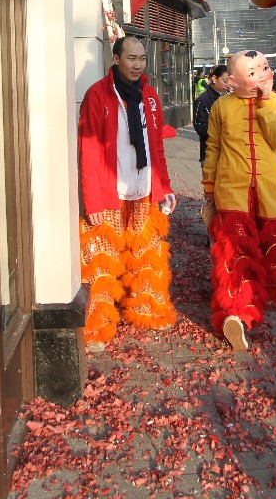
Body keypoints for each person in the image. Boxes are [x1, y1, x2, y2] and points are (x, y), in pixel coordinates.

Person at [78, 36, 177, 353]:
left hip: (144, 189)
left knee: (148, 255)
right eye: (131, 58)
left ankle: (147, 310)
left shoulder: (150, 96)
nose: (137, 65)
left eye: (142, 58)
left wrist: (164, 187)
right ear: (116, 59)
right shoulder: (97, 95)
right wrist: (93, 200)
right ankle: (99, 325)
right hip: (109, 190)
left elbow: (156, 147)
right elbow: (88, 152)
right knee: (102, 260)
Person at [202, 50, 276, 351]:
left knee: (269, 254)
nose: (262, 75)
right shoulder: (221, 107)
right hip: (232, 193)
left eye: (264, 68)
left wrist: (265, 102)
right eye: (252, 72)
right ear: (232, 82)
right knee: (236, 255)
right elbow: (213, 148)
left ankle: (255, 301)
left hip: (269, 195)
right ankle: (236, 313)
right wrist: (209, 190)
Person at [192, 65, 230, 164]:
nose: (228, 85)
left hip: (230, 155)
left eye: (230, 81)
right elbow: (199, 126)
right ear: (214, 79)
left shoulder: (232, 98)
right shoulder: (203, 101)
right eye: (225, 81)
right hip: (210, 153)